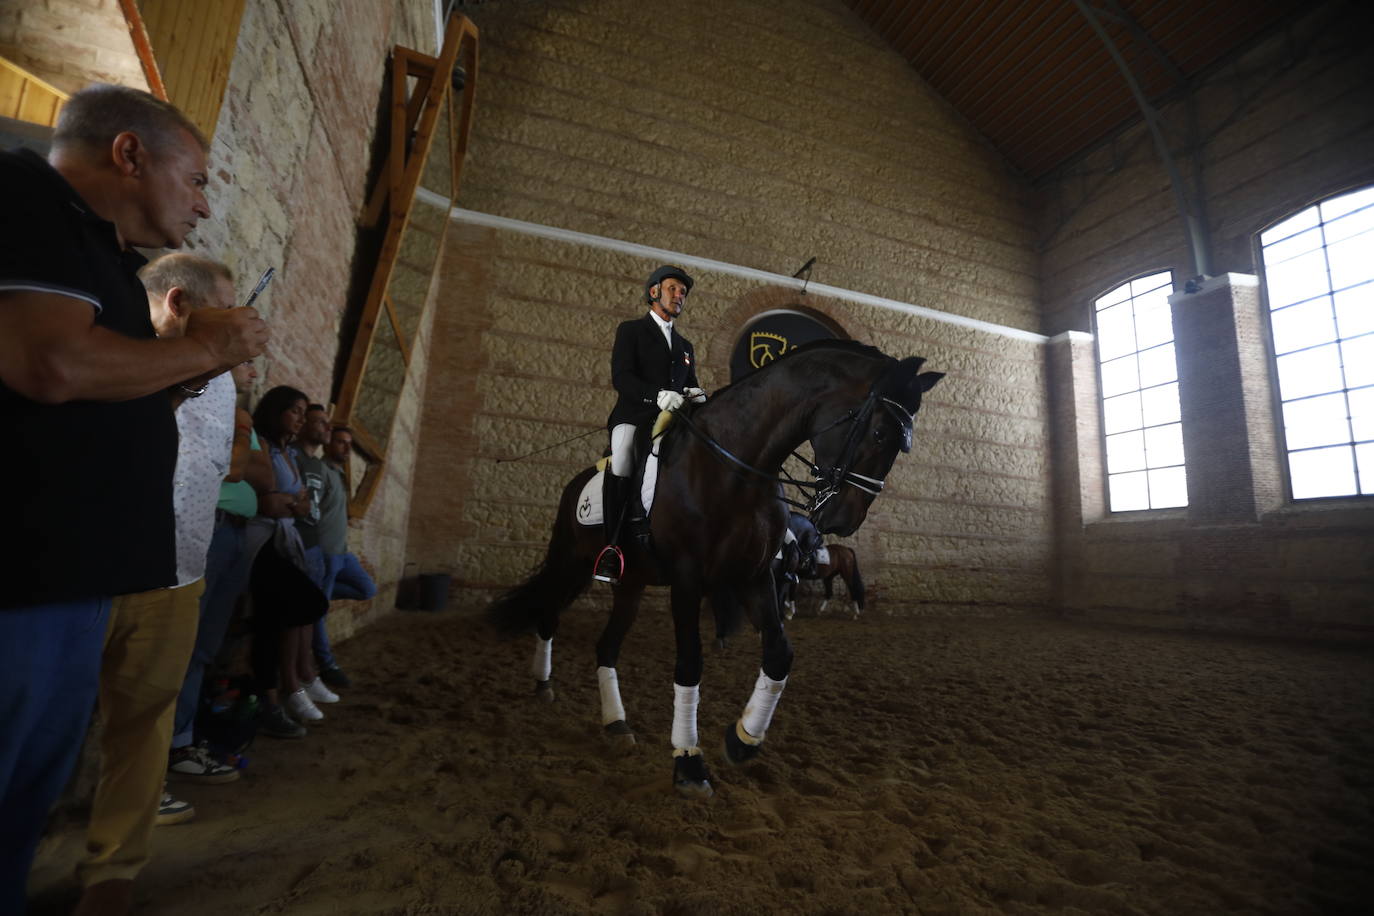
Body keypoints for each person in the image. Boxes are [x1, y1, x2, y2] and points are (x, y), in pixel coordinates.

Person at [0, 83, 266, 915]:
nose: (201, 200)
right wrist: (201, 351)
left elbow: (108, 396)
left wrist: (197, 366)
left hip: (78, 573)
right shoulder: (25, 199)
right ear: (129, 153)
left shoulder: (102, 255)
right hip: (24, 572)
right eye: (194, 178)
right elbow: (50, 366)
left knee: (24, 793)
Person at [73, 253, 247, 912]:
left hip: (179, 576)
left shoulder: (222, 374)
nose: (237, 322)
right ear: (178, 304)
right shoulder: (110, 348)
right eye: (225, 308)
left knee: (144, 725)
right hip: (90, 573)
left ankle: (113, 872)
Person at [165, 355, 273, 788]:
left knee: (205, 645)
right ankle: (173, 747)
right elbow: (235, 468)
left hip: (233, 536)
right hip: (201, 529)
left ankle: (184, 740)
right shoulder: (203, 399)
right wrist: (242, 431)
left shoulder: (237, 414)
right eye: (245, 362)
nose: (253, 371)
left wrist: (242, 435)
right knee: (183, 643)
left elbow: (264, 477)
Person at [593, 265, 706, 583]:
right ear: (654, 291)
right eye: (673, 288)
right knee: (625, 459)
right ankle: (612, 549)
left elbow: (691, 381)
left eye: (683, 292)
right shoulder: (630, 331)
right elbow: (622, 378)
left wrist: (696, 393)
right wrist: (656, 395)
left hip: (673, 420)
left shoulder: (685, 347)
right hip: (635, 416)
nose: (679, 295)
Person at [247, 386, 330, 735]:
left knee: (283, 615)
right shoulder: (261, 444)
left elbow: (302, 504)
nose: (299, 417)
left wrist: (292, 503)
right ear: (276, 410)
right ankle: (284, 691)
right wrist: (291, 503)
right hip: (260, 541)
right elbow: (267, 502)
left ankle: (287, 689)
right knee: (299, 605)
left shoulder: (288, 454)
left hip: (284, 540)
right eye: (295, 410)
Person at [296, 413, 375, 688]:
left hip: (342, 552)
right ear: (329, 444)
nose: (344, 447)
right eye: (340, 442)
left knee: (367, 589)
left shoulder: (340, 474)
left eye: (348, 444)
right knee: (318, 611)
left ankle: (318, 595)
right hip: (326, 552)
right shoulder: (319, 470)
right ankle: (327, 664)